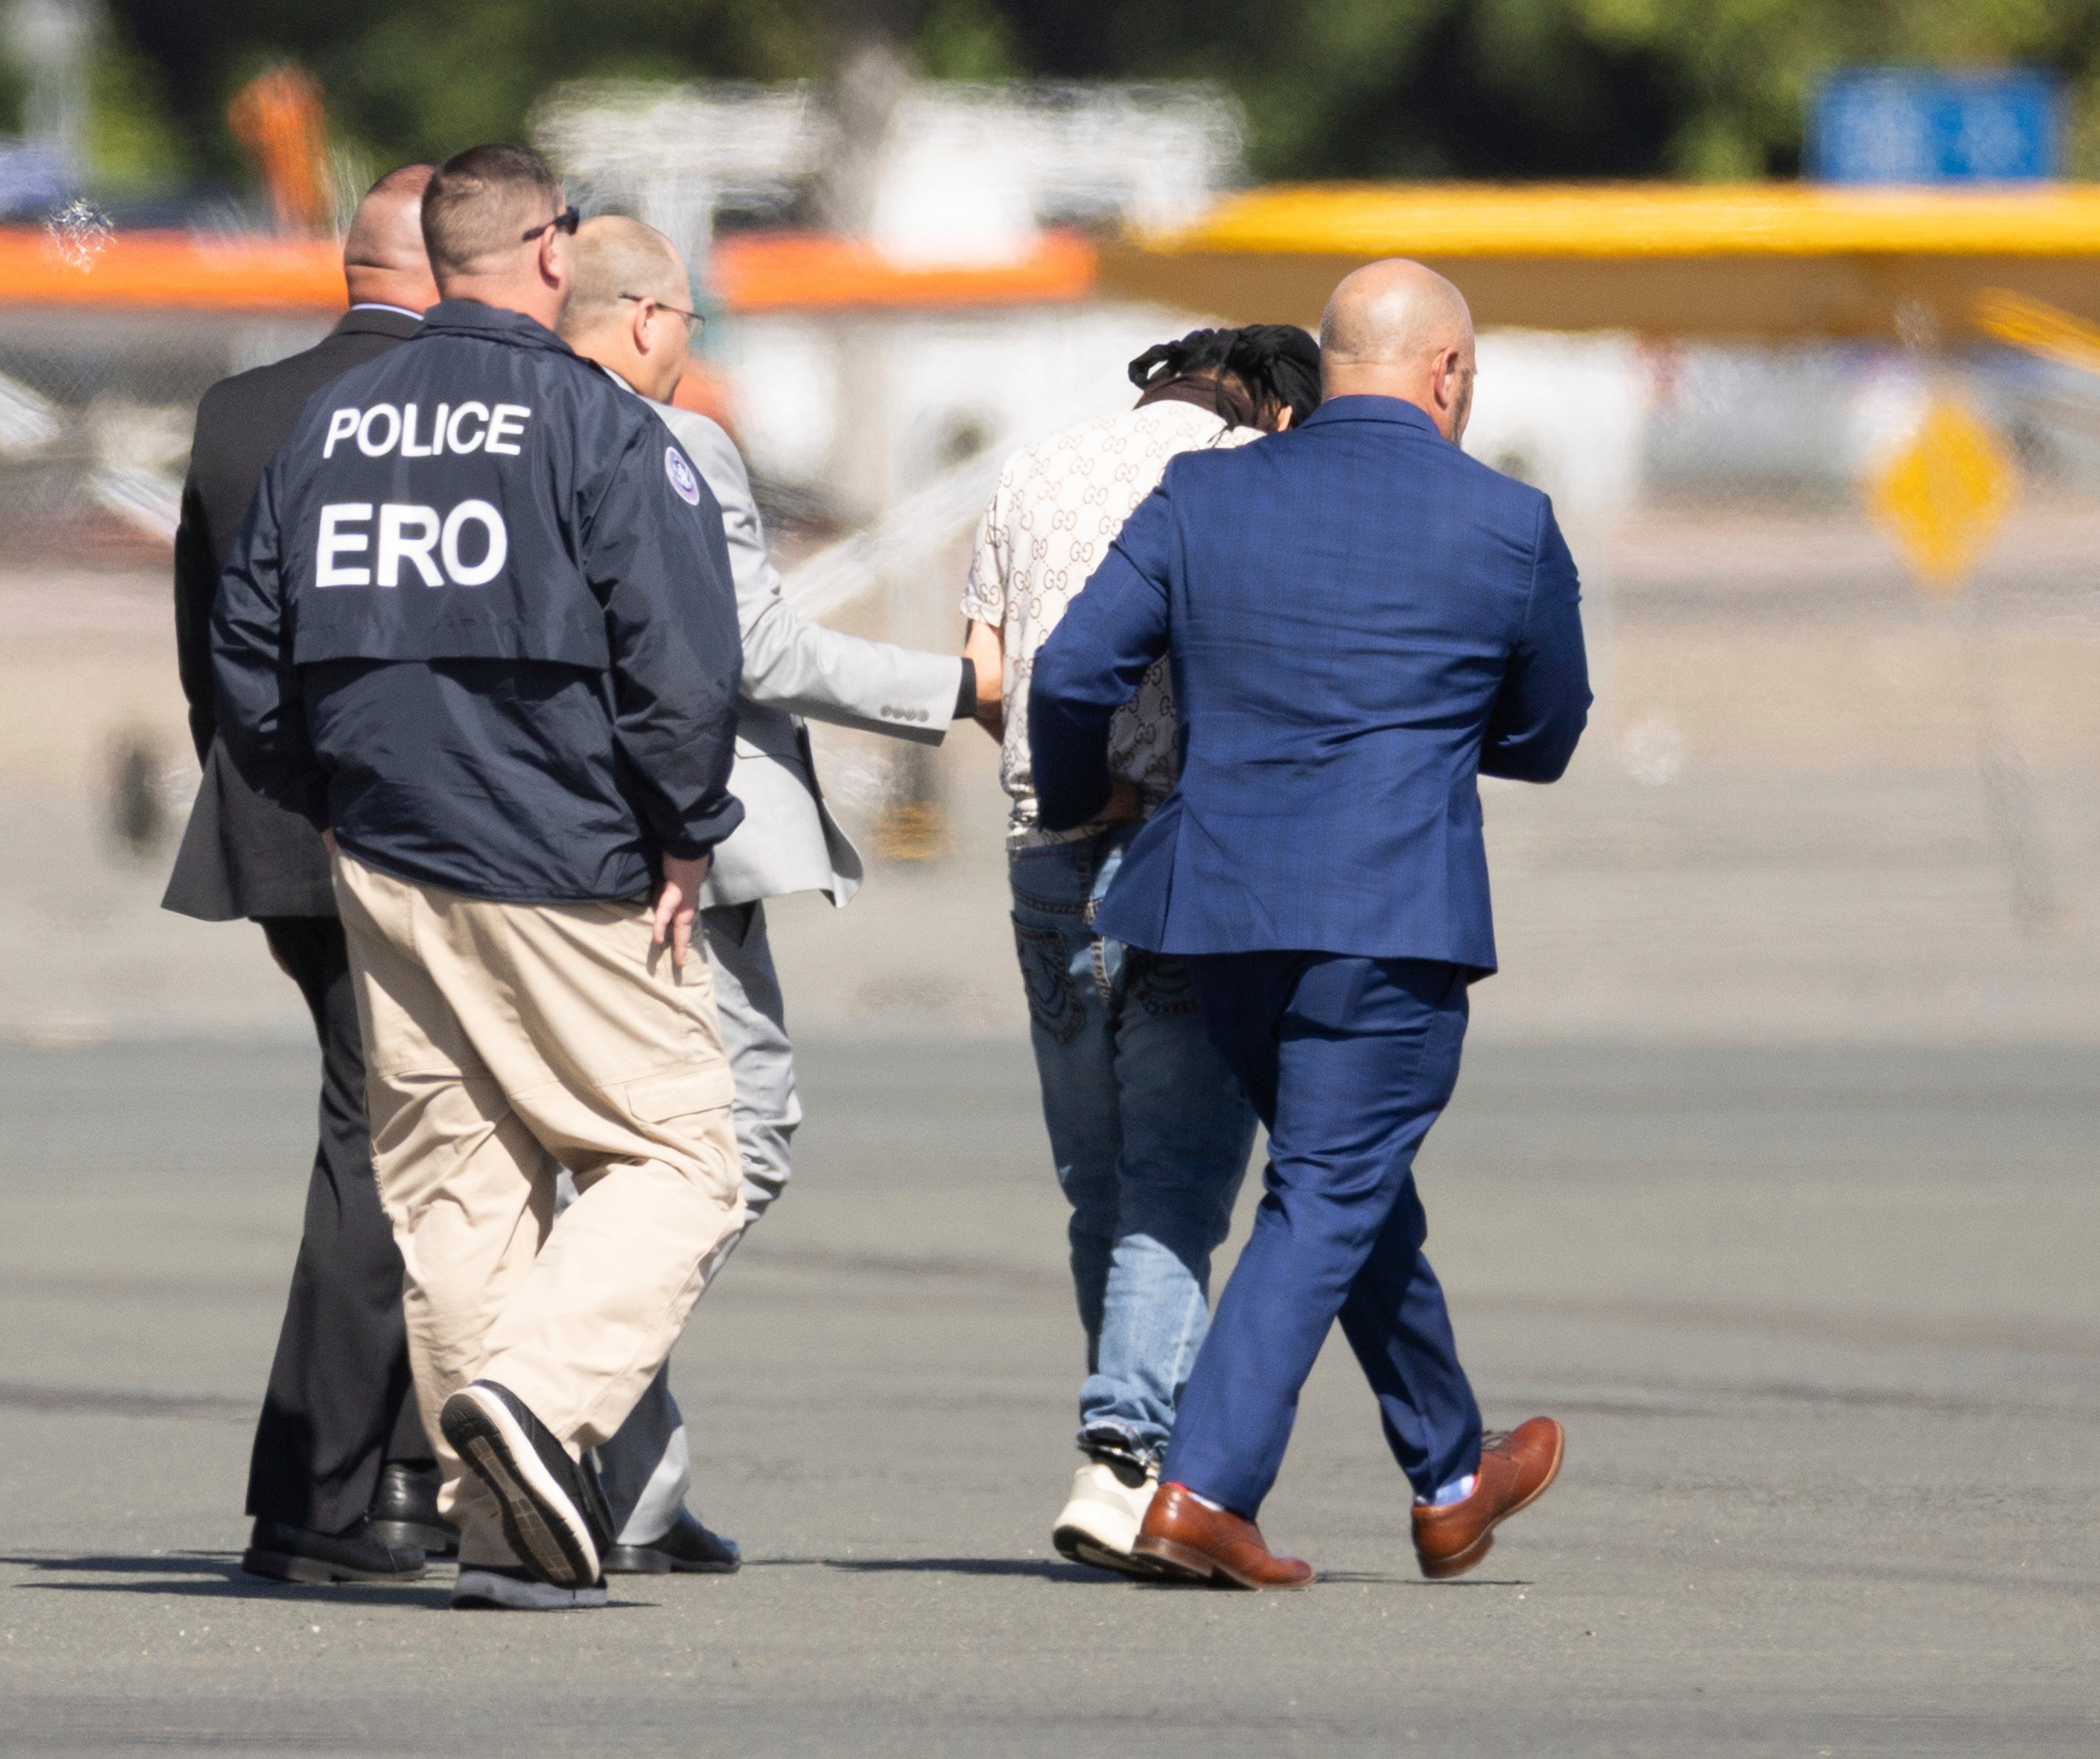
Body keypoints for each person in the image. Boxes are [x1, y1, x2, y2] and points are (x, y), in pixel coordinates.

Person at [213, 144, 747, 1612]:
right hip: (564, 852)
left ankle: (507, 1526)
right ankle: (534, 1399)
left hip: (385, 850)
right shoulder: (595, 420)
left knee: (458, 1185)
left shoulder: (334, 423)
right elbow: (682, 658)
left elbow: (246, 647)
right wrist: (684, 822)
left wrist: (325, 796)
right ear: (552, 248)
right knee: (688, 1153)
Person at [1027, 262, 1590, 1590]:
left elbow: (1067, 669)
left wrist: (1072, 794)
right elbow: (1546, 732)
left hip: (1216, 910)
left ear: (1333, 364)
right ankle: (1202, 1489)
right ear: (1447, 371)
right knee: (1329, 1184)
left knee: (1344, 1180)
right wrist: (1440, 737)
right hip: (1389, 913)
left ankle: (1452, 1470)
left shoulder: (1201, 491)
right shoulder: (1507, 522)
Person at [556, 217, 992, 1572]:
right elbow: (751, 645)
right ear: (641, 320)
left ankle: (635, 1474)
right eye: (690, 318)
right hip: (676, 855)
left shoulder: (514, 431)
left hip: (526, 842)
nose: (694, 346)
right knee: (737, 1137)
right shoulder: (676, 444)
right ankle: (554, 1385)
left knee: (599, 1144)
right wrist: (955, 691)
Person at [960, 324, 1321, 1575]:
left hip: (1038, 860)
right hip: (1180, 861)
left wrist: (1060, 782)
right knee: (1174, 1185)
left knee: (1097, 1183)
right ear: (1274, 405)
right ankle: (1122, 1452)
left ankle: (1129, 1447)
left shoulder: (1034, 470)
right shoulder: (1243, 478)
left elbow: (986, 671)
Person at [160, 163, 453, 1586]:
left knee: (381, 1129)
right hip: (423, 828)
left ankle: (364, 1479)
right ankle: (340, 1491)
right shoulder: (464, 414)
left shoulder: (237, 412)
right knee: (389, 1143)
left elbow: (201, 644)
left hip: (271, 824)